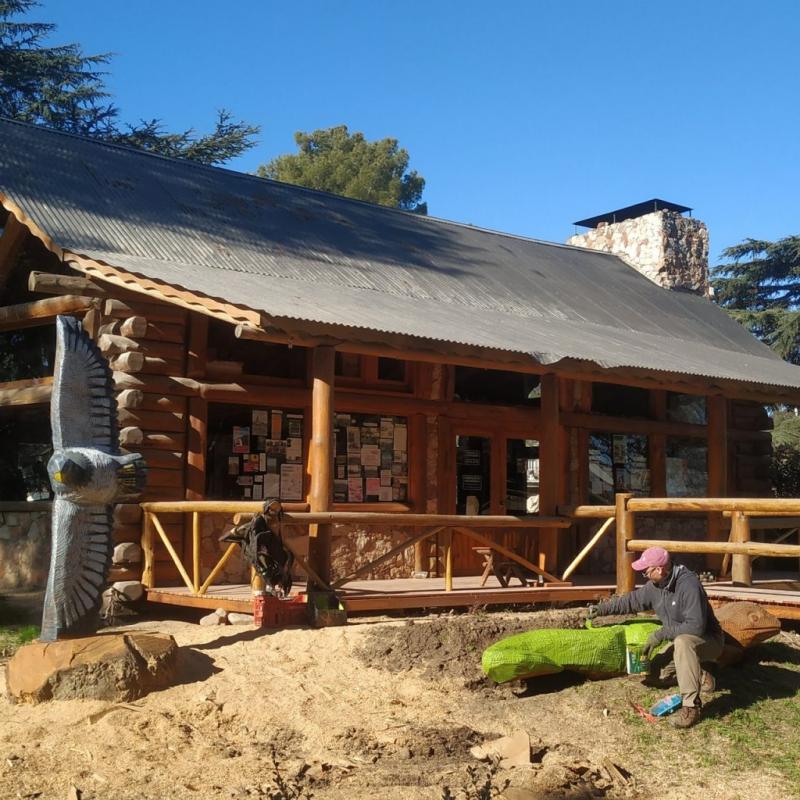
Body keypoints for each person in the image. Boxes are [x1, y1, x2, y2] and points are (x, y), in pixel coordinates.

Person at [587, 546, 724, 729]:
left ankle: (691, 706)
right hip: (681, 643)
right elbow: (631, 601)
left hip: (708, 640)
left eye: (646, 571)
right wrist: (601, 609)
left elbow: (695, 627)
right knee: (654, 674)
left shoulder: (689, 585)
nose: (644, 574)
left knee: (684, 641)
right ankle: (701, 675)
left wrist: (660, 635)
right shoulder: (655, 585)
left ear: (659, 569)